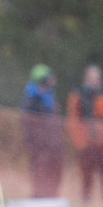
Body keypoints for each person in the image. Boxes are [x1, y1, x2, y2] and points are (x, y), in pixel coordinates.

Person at [66, 64, 103, 202]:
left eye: (97, 79)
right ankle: (86, 203)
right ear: (86, 79)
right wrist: (80, 142)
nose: (95, 82)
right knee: (86, 178)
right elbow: (72, 122)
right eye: (92, 79)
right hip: (86, 145)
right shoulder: (77, 97)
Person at [21, 64, 64, 198]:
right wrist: (32, 142)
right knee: (40, 170)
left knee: (55, 170)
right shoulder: (31, 99)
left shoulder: (49, 97)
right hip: (39, 144)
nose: (52, 80)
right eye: (48, 77)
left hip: (53, 143)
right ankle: (39, 196)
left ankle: (52, 195)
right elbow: (27, 124)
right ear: (42, 79)